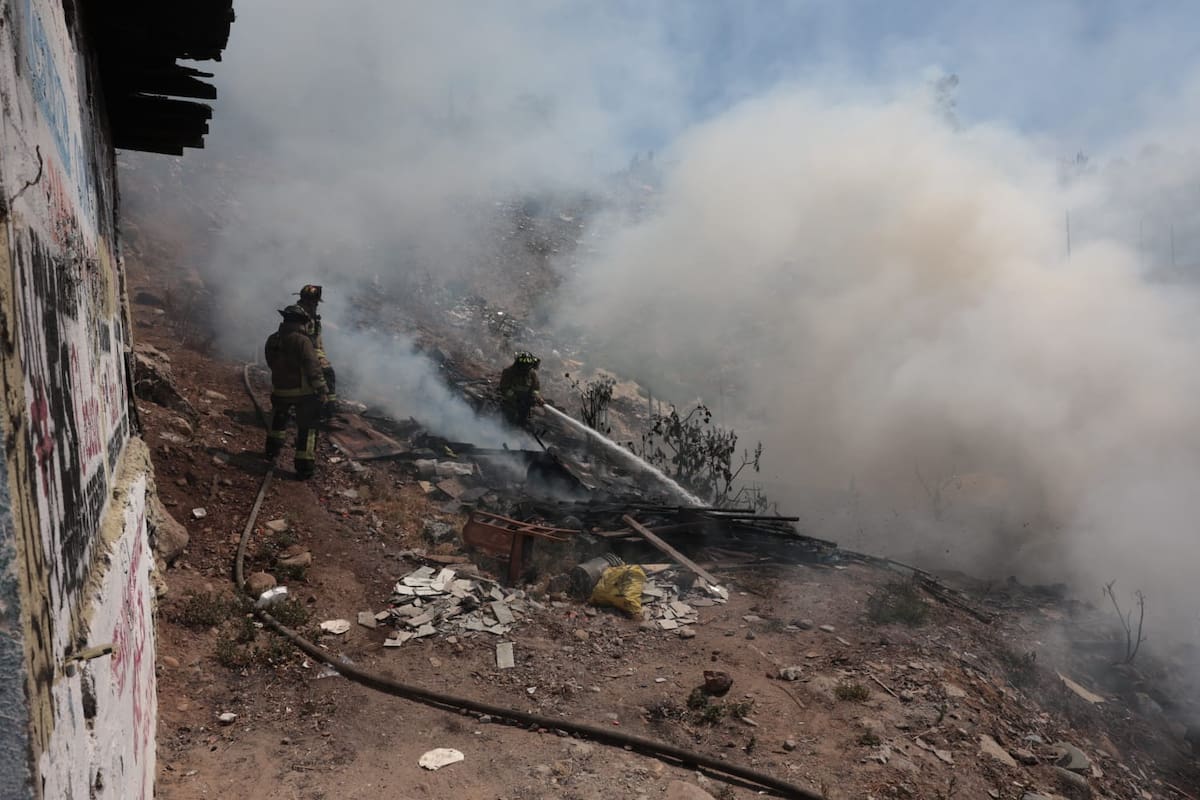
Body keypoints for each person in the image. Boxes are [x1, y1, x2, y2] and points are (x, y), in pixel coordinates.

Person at [264, 304, 329, 479]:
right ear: (301, 322)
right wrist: (322, 389)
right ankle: (305, 467)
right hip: (303, 393)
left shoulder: (273, 339)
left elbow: (270, 362)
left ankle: (271, 450)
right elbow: (313, 367)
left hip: (280, 390)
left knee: (278, 421)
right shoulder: (302, 341)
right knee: (308, 428)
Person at [296, 284, 337, 419]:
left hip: (312, 355)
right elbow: (304, 342)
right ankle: (329, 413)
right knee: (328, 374)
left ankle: (326, 409)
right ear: (309, 301)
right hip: (303, 355)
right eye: (315, 302)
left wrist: (323, 358)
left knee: (328, 372)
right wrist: (320, 360)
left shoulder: (312, 317)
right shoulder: (300, 317)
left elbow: (318, 342)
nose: (316, 305)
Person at [498, 351, 544, 428]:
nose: (525, 368)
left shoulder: (532, 374)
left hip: (525, 405)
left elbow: (535, 388)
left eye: (527, 366)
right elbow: (504, 388)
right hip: (510, 404)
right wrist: (516, 399)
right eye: (523, 366)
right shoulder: (509, 372)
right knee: (507, 424)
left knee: (521, 424)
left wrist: (537, 398)